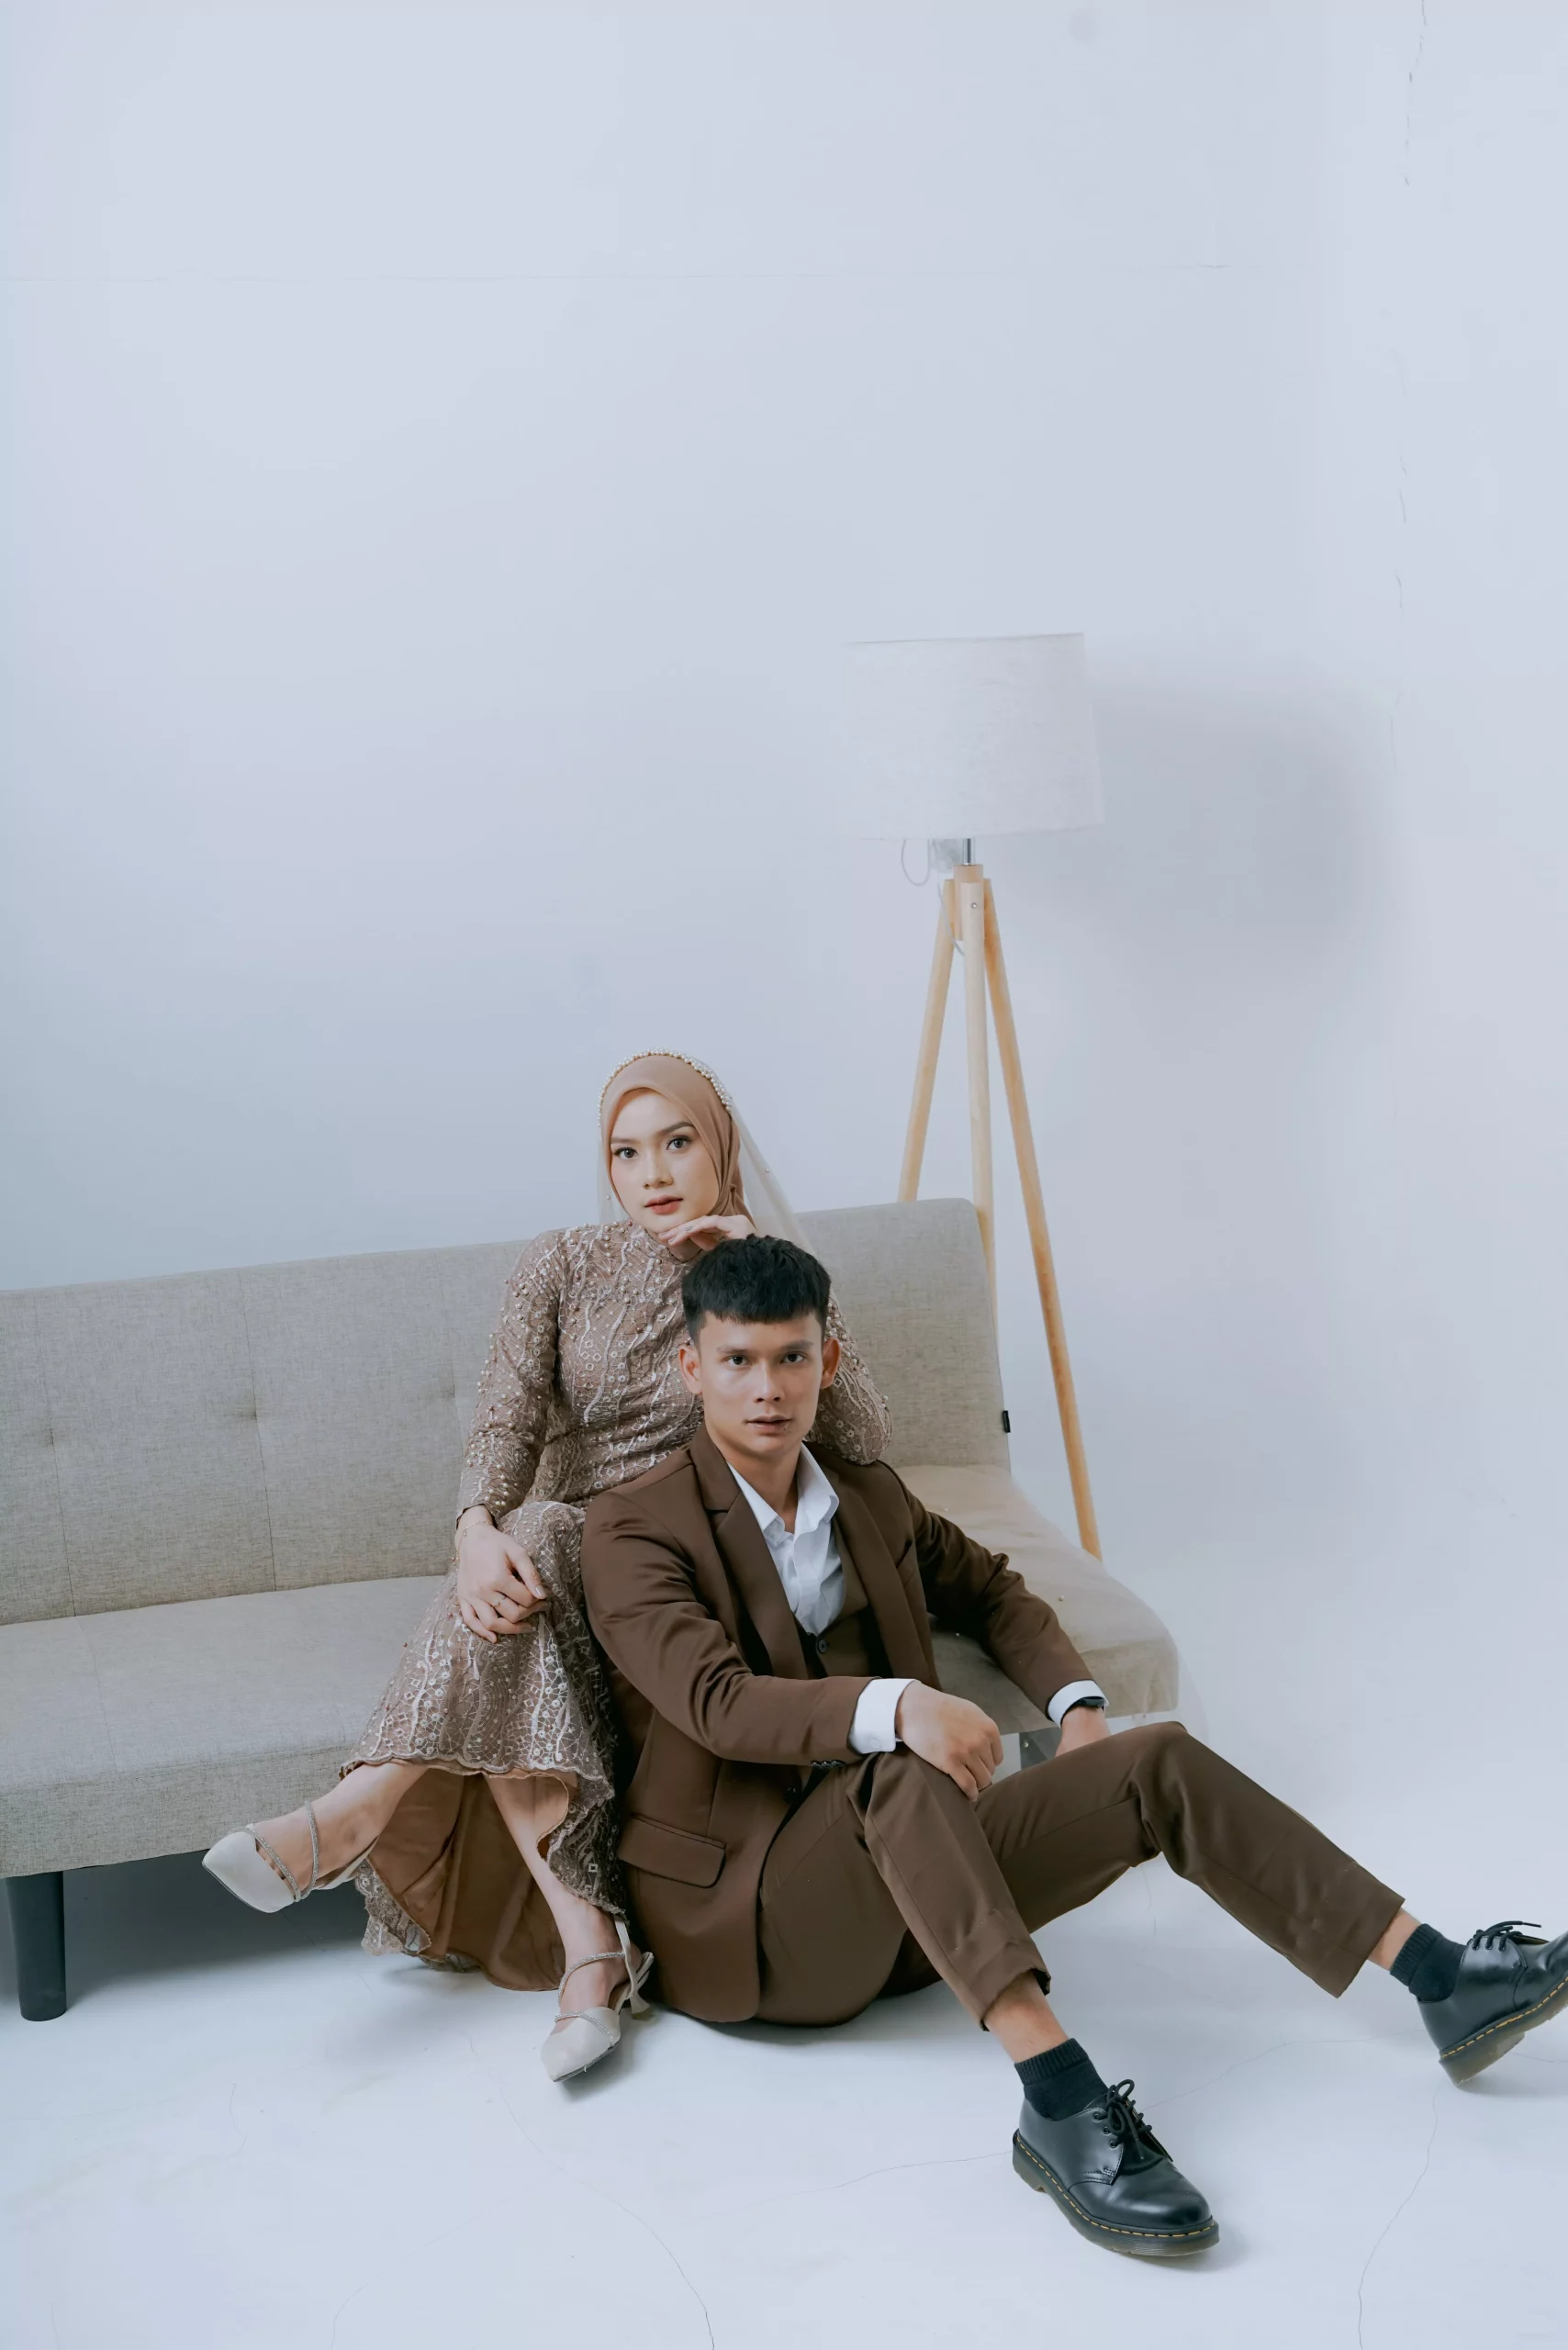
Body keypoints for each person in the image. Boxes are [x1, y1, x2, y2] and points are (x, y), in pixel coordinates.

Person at [581, 1234, 1568, 2258]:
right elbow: (717, 1702)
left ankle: (1441, 1977)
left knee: (1157, 1759)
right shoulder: (632, 1528)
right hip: (755, 1926)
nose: (767, 1389)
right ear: (691, 1366)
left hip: (922, 1907)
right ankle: (1058, 2102)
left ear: (827, 1360)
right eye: (738, 1360)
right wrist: (903, 1704)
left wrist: (1078, 1708)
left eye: (791, 1356)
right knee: (899, 1772)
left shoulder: (868, 1496)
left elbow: (992, 1592)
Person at [202, 1056, 890, 2081]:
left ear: (720, 1146)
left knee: (548, 1536)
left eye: (677, 1142)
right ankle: (589, 1956)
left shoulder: (761, 1278)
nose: (653, 1173)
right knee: (525, 1560)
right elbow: (507, 1416)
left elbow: (866, 1438)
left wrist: (759, 1258)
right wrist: (472, 1530)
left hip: (683, 1549)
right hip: (553, 1539)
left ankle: (356, 1811)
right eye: (626, 1151)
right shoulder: (562, 1261)